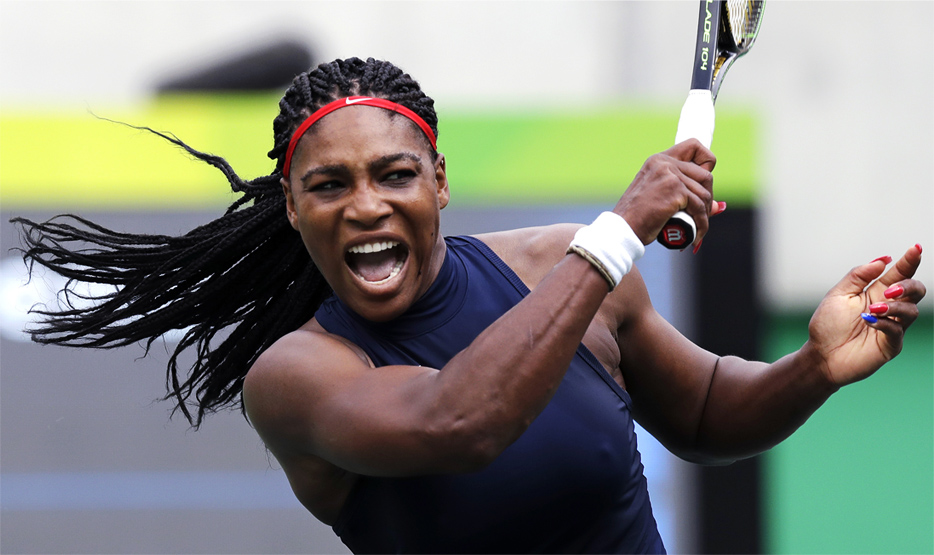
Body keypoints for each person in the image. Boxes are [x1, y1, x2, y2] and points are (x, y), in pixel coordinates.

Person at [15, 57, 925, 554]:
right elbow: (464, 421)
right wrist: (614, 235)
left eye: (394, 174)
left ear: (439, 183)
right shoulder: (295, 376)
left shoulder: (556, 267)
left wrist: (815, 368)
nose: (366, 203)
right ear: (294, 207)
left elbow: (698, 409)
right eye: (329, 185)